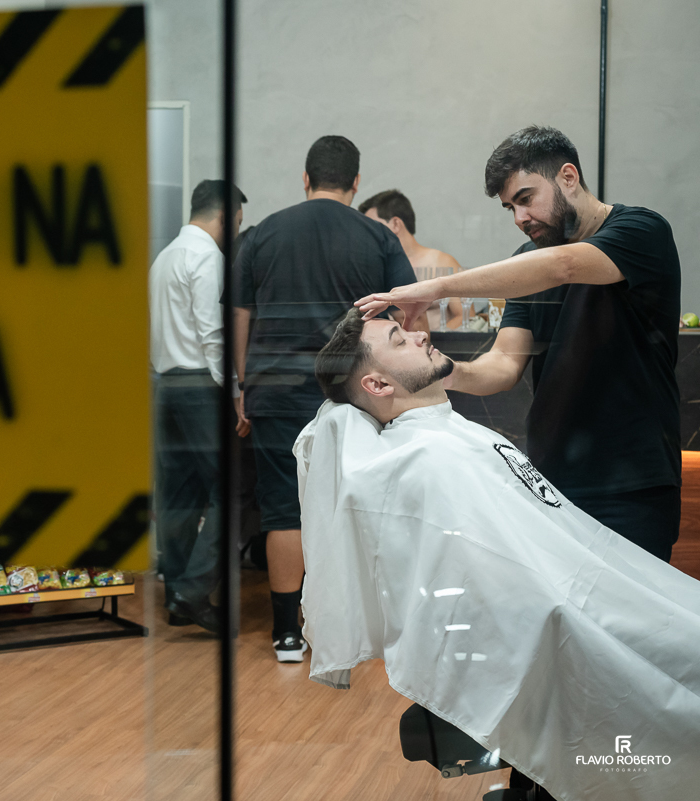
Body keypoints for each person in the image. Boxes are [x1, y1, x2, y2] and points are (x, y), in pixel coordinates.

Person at [299, 309, 700, 801]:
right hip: (573, 619)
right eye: (399, 339)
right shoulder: (427, 460)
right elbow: (510, 589)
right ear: (378, 384)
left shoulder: (448, 437)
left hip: (597, 597)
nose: (421, 333)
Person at [356, 125, 682, 561]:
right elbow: (504, 365)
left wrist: (435, 289)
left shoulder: (642, 230)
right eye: (510, 207)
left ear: (569, 177)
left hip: (633, 479)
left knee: (635, 624)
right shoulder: (525, 263)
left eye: (526, 199)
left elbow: (563, 266)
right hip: (552, 480)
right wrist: (436, 370)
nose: (519, 219)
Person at [226, 135, 420, 661]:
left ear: (305, 178)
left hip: (275, 391)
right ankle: (358, 627)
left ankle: (288, 633)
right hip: (352, 395)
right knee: (356, 504)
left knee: (283, 510)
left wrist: (245, 385)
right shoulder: (376, 236)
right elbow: (405, 312)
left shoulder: (261, 235)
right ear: (355, 183)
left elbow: (239, 317)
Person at [149, 179, 245, 632]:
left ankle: (175, 591)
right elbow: (213, 334)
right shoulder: (207, 256)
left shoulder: (164, 257)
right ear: (224, 216)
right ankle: (193, 591)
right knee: (232, 488)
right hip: (199, 388)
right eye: (237, 223)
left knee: (178, 495)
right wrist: (234, 393)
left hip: (164, 385)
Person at [357, 189, 468, 330]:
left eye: (374, 226)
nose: (369, 234)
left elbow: (466, 315)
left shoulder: (441, 262)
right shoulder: (376, 266)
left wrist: (426, 340)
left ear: (396, 224)